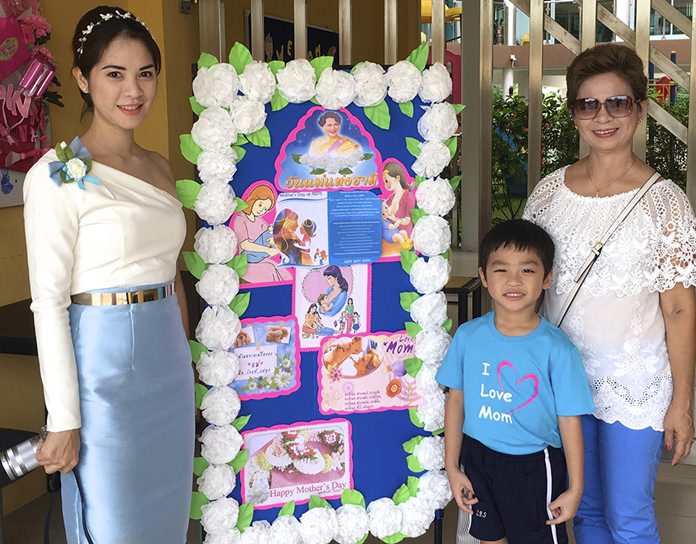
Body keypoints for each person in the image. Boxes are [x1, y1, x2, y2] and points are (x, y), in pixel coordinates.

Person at [22, 7, 194, 542]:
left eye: (145, 72)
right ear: (82, 78)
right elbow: (48, 303)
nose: (133, 91)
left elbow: (172, 273)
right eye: (114, 74)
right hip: (105, 371)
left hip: (168, 367)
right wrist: (64, 418)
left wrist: (187, 363)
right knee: (114, 522)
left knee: (167, 519)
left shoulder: (162, 167)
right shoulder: (54, 176)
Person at [524, 43, 696, 544]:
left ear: (640, 109)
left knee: (630, 517)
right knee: (587, 512)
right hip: (562, 383)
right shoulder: (549, 193)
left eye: (617, 103)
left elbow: (681, 306)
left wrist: (682, 402)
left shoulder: (665, 202)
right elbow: (525, 287)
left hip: (633, 384)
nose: (603, 117)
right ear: (574, 112)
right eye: (588, 104)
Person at [437, 219, 594, 544]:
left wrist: (575, 488)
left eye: (527, 270)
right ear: (483, 276)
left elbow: (569, 420)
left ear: (547, 278)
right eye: (500, 269)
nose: (513, 280)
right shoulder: (467, 337)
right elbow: (455, 401)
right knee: (489, 539)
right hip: (479, 458)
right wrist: (452, 467)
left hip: (536, 467)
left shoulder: (558, 349)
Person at [231, 184, 292, 283]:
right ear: (253, 199)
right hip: (246, 261)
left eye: (265, 209)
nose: (261, 210)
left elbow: (270, 233)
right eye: (260, 205)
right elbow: (244, 245)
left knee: (284, 272)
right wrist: (267, 250)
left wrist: (274, 238)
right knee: (269, 270)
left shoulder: (259, 221)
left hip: (260, 258)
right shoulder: (240, 219)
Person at [382, 160, 416, 237]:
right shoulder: (391, 198)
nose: (385, 185)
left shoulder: (409, 196)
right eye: (384, 182)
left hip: (405, 234)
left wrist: (395, 220)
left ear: (397, 178)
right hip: (391, 233)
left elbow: (408, 220)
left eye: (387, 181)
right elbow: (384, 209)